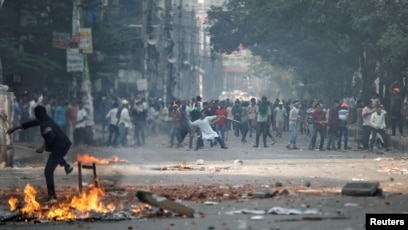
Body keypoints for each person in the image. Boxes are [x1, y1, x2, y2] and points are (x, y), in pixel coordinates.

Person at [6, 105, 73, 203]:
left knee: (48, 171)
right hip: (61, 144)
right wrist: (15, 128)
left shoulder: (45, 124)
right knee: (52, 153)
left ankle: (52, 197)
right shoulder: (44, 119)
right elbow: (31, 123)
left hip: (59, 146)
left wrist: (42, 147)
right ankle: (66, 165)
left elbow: (51, 137)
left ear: (37, 114)